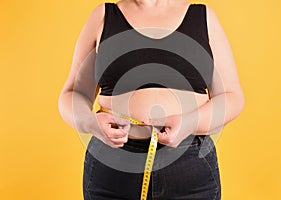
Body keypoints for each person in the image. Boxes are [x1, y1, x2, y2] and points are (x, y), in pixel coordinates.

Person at [58, 0, 245, 199]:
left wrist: (191, 123)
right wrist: (90, 123)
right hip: (112, 164)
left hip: (189, 160)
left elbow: (231, 97)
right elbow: (72, 94)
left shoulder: (203, 17)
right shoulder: (103, 16)